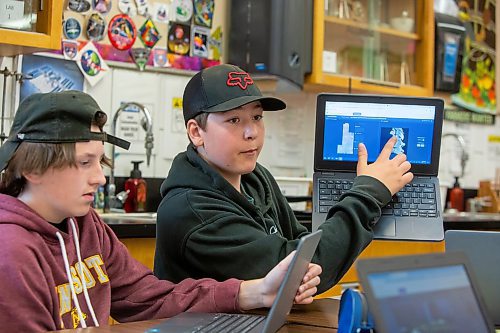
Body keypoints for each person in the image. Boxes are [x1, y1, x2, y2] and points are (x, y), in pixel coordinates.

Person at [0, 91, 321, 331]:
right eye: (85, 163)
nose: (99, 177)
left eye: (100, 161)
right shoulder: (11, 253)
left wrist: (254, 292)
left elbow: (150, 297)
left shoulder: (85, 226)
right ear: (33, 169)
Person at [154, 64, 413, 293]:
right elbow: (297, 267)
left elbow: (303, 251)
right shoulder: (191, 211)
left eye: (257, 117)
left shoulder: (255, 177)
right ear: (196, 132)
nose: (251, 132)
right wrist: (370, 191)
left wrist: (304, 272)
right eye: (234, 119)